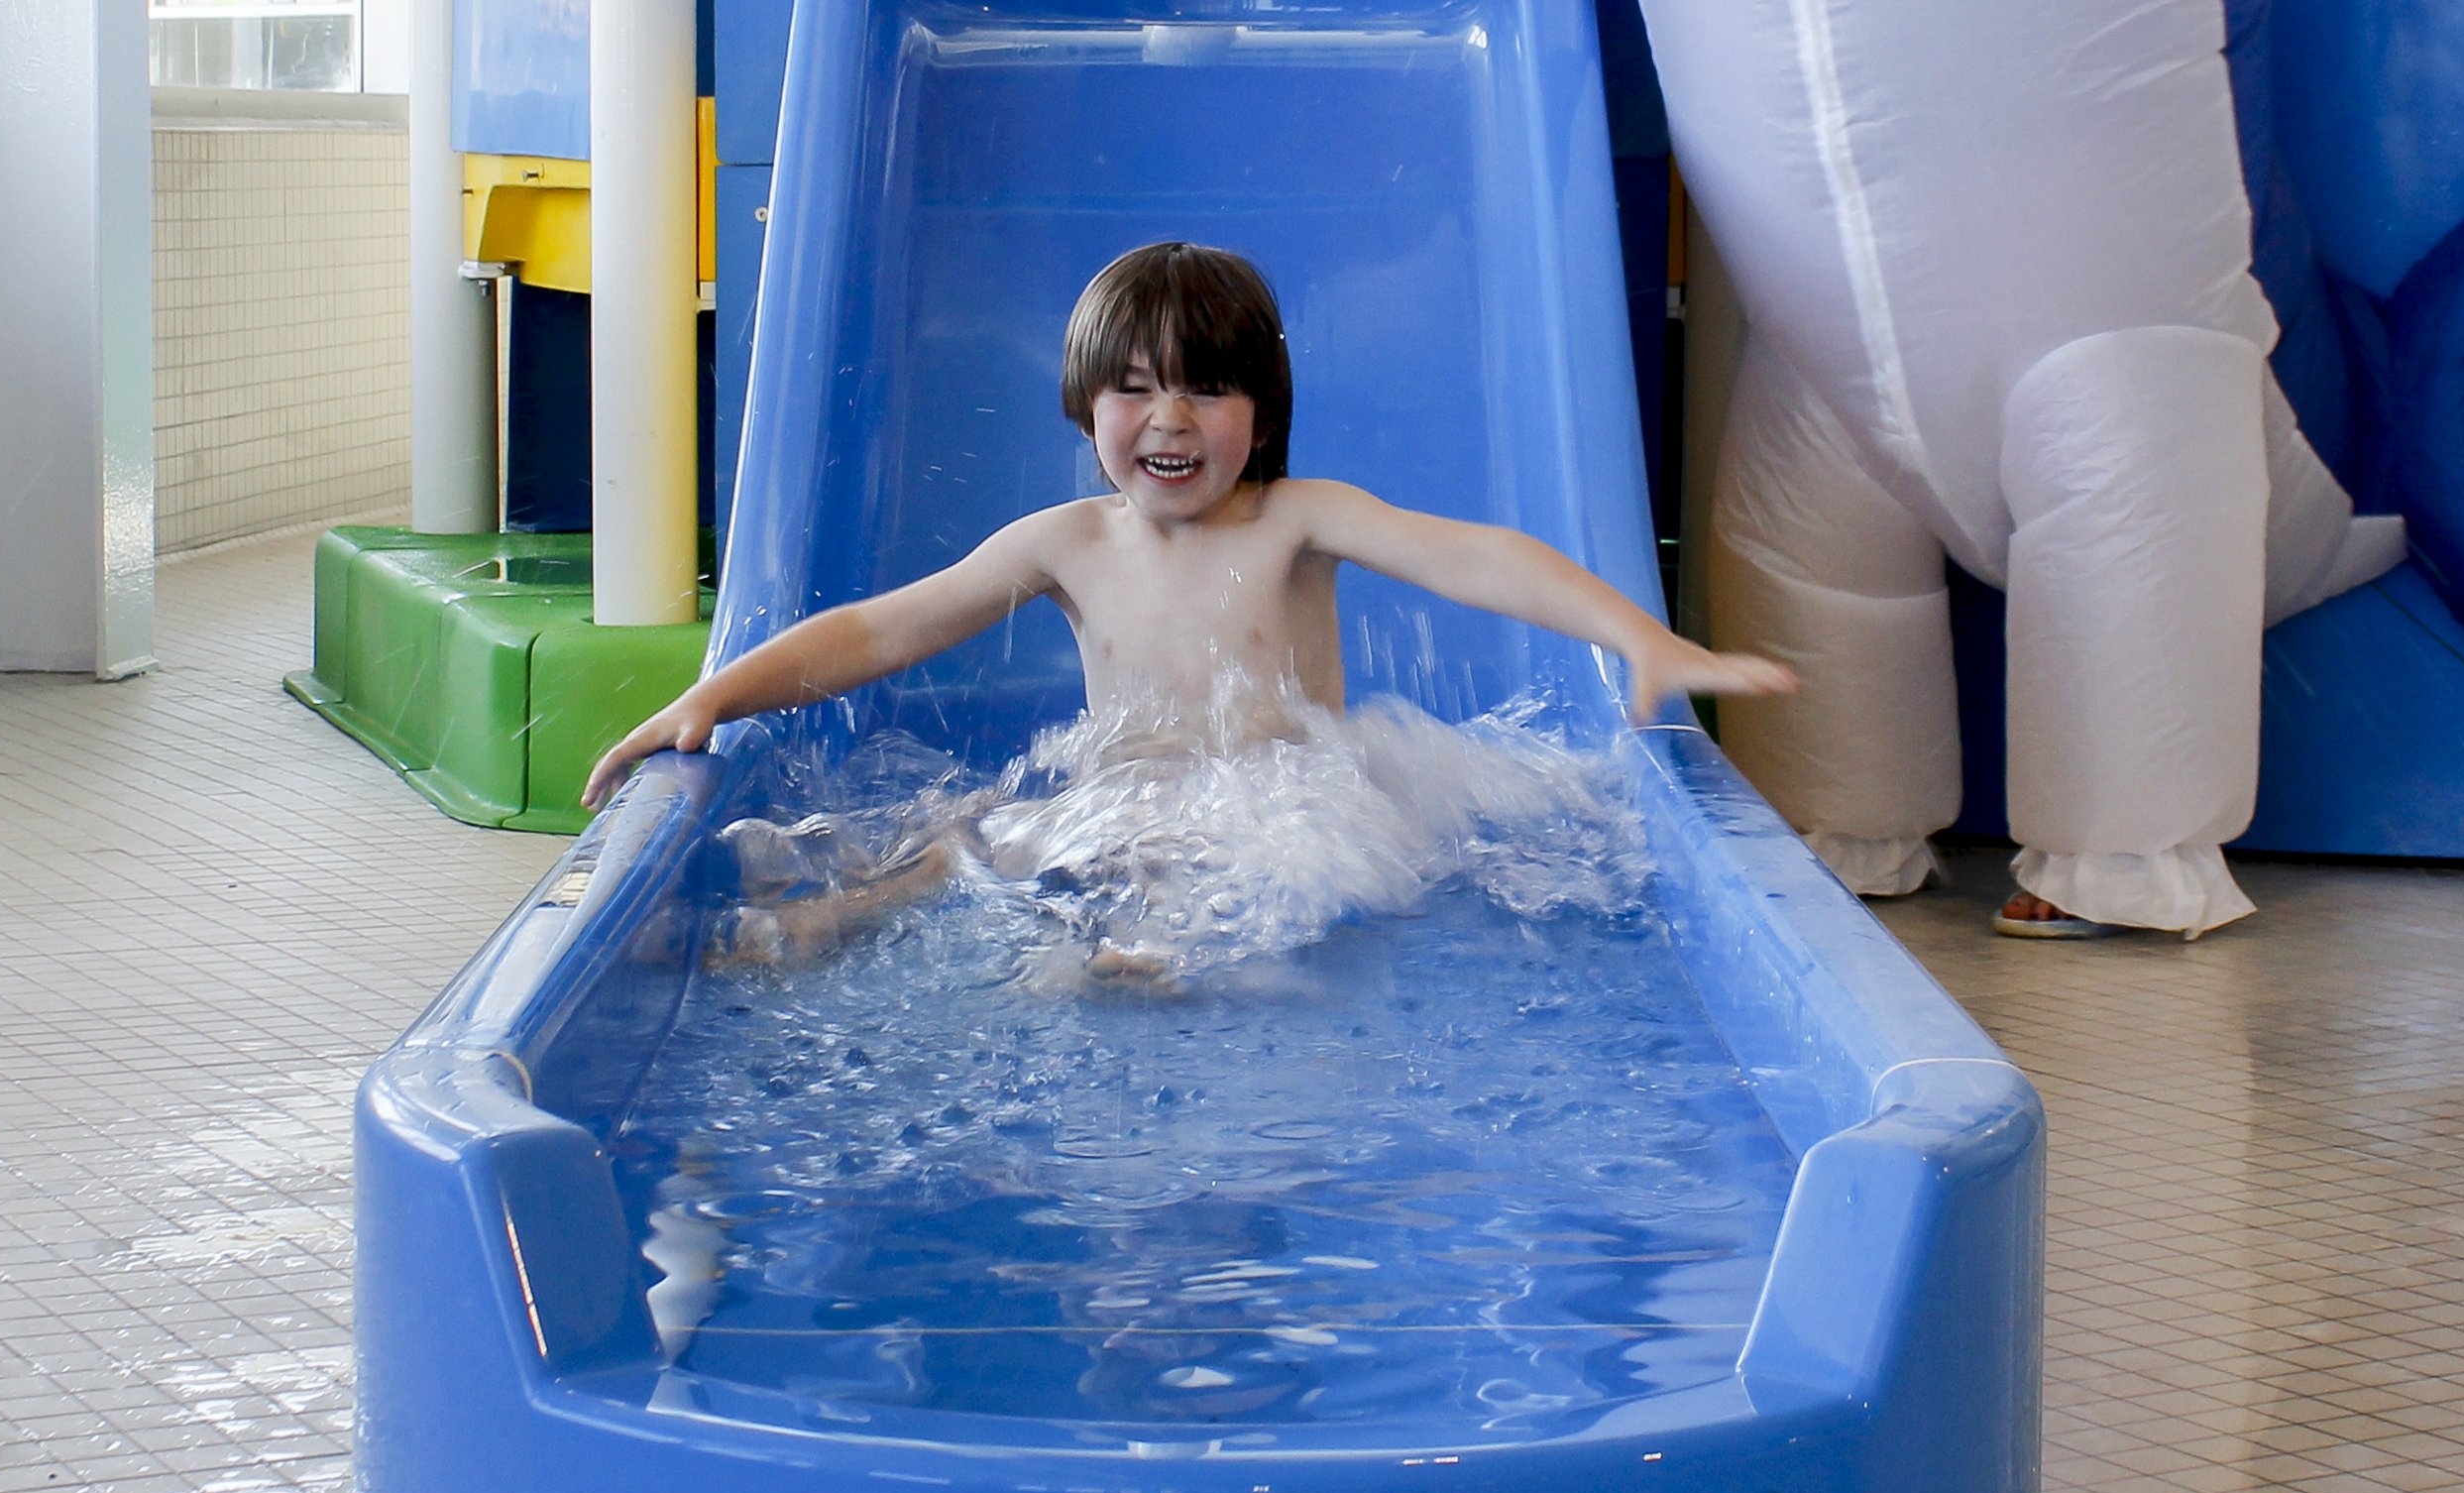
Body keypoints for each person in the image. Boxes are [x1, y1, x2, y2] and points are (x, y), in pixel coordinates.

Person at [582, 242, 1792, 963]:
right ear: (1083, 407)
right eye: (1134, 389)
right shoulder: (1062, 542)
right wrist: (712, 694)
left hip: (1295, 797)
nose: (1169, 419)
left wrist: (1634, 629)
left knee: (1204, 879)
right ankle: (831, 922)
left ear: (1260, 411)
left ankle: (1144, 957)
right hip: (1131, 791)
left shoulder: (1298, 519)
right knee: (975, 838)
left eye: (1207, 389)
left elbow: (1470, 556)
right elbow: (883, 627)